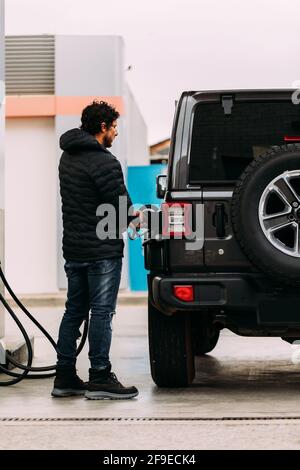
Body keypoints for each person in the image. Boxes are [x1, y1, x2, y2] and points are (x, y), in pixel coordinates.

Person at [51, 100, 140, 400]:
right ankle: (100, 377)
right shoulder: (104, 161)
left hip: (74, 250)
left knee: (74, 311)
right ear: (102, 127)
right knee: (102, 313)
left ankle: (64, 377)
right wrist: (136, 217)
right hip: (102, 251)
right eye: (114, 128)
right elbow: (119, 206)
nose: (115, 133)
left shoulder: (68, 157)